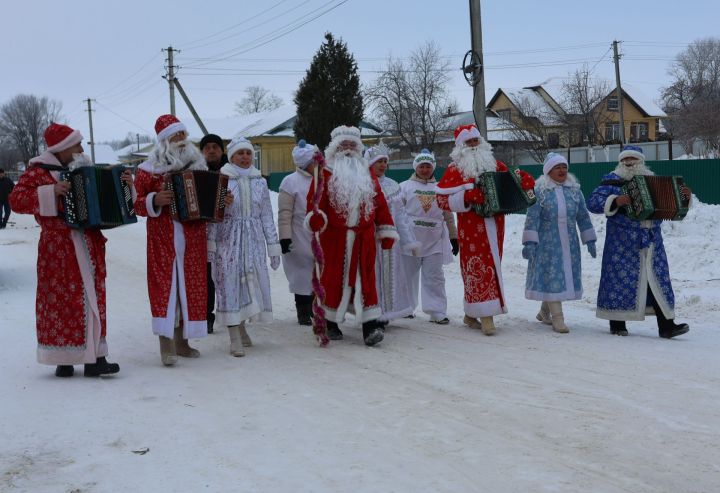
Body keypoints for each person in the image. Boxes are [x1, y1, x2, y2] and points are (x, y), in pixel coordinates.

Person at [9, 123, 124, 377]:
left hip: (88, 242)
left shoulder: (85, 170)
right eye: (77, 144)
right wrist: (51, 191)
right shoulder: (38, 172)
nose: (82, 149)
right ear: (62, 148)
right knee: (60, 301)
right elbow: (16, 200)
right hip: (57, 247)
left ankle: (95, 358)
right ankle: (64, 358)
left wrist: (124, 187)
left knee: (93, 298)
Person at [435, 124, 535, 335]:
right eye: (468, 142)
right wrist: (465, 198)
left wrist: (523, 182)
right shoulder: (455, 170)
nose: (473, 145)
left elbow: (511, 182)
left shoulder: (495, 165)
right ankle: (485, 315)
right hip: (471, 228)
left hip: (495, 226)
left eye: (475, 141)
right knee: (476, 268)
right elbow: (441, 200)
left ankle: (472, 314)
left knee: (492, 264)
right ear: (460, 146)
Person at [133, 115, 216, 366]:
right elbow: (135, 203)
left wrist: (220, 203)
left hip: (193, 239)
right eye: (175, 136)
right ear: (163, 141)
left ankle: (182, 342)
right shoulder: (148, 170)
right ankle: (165, 343)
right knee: (165, 289)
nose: (181, 140)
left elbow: (211, 202)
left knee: (189, 289)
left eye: (183, 134)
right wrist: (153, 201)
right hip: (163, 238)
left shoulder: (199, 167)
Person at [305, 125, 398, 346]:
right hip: (334, 239)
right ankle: (330, 322)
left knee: (366, 281)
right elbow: (315, 202)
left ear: (358, 148)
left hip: (364, 238)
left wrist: (385, 228)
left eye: (352, 145)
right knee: (332, 279)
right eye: (343, 145)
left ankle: (370, 326)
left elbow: (380, 204)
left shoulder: (367, 174)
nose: (348, 149)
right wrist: (315, 217)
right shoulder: (325, 173)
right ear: (335, 148)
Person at [587, 145, 690, 339]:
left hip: (651, 241)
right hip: (621, 243)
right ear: (620, 162)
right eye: (626, 160)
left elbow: (673, 203)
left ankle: (667, 326)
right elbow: (592, 202)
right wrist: (615, 201)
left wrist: (685, 197)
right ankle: (617, 324)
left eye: (634, 160)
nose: (630, 163)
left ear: (641, 161)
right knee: (619, 281)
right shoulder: (612, 181)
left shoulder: (653, 180)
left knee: (657, 280)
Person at [208, 136, 280, 357]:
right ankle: (234, 336)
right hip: (229, 240)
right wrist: (211, 243)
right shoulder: (222, 181)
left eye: (248, 153)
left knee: (250, 284)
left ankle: (241, 326)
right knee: (229, 284)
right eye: (240, 153)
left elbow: (267, 215)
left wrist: (272, 245)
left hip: (254, 240)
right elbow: (211, 216)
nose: (245, 157)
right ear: (231, 157)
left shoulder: (260, 182)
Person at [522, 153, 597, 333]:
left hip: (569, 242)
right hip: (547, 244)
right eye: (557, 167)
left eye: (564, 166)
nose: (562, 170)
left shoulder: (574, 190)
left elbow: (583, 216)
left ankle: (543, 312)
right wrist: (529, 243)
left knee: (560, 278)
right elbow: (532, 218)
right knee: (553, 277)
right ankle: (558, 318)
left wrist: (589, 239)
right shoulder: (539, 191)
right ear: (549, 171)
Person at [399, 149, 458, 325]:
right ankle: (406, 308)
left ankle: (437, 310)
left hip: (435, 241)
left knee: (435, 276)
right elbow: (397, 213)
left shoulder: (440, 189)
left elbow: (448, 214)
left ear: (432, 168)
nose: (425, 169)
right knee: (407, 275)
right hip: (410, 240)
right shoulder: (404, 187)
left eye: (428, 166)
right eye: (422, 166)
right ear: (416, 167)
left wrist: (453, 237)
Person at [365, 142, 420, 327]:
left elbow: (401, 217)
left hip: (389, 242)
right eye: (379, 161)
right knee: (371, 276)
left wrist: (409, 241)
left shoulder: (393, 186)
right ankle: (371, 313)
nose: (382, 165)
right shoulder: (363, 184)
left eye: (385, 162)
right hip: (368, 240)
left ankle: (386, 312)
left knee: (390, 276)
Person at [278, 140, 322, 326]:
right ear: (306, 163)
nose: (319, 164)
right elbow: (285, 213)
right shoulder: (290, 182)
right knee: (302, 275)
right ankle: (303, 311)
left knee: (320, 273)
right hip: (298, 236)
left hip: (321, 235)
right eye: (315, 161)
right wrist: (285, 238)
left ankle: (319, 309)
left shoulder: (324, 179)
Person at [199, 133, 228, 334]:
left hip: (228, 235)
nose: (211, 150)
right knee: (206, 277)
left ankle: (232, 315)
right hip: (204, 233)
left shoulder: (231, 172)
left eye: (215, 147)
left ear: (222, 150)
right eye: (207, 147)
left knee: (228, 276)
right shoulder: (195, 172)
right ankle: (206, 316)